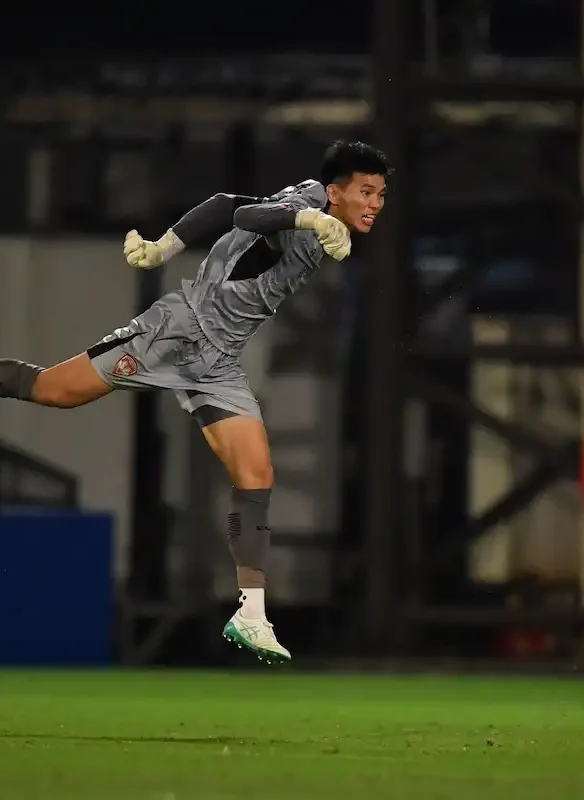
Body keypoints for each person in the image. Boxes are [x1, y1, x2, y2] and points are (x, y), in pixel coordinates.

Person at [0, 140, 391, 664]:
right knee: (53, 390)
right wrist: (310, 224)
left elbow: (229, 201)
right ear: (336, 190)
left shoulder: (315, 207)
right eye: (366, 191)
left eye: (381, 194)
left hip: (219, 361)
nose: (374, 203)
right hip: (178, 335)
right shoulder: (309, 208)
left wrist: (166, 245)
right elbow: (249, 216)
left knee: (256, 475)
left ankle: (250, 615)